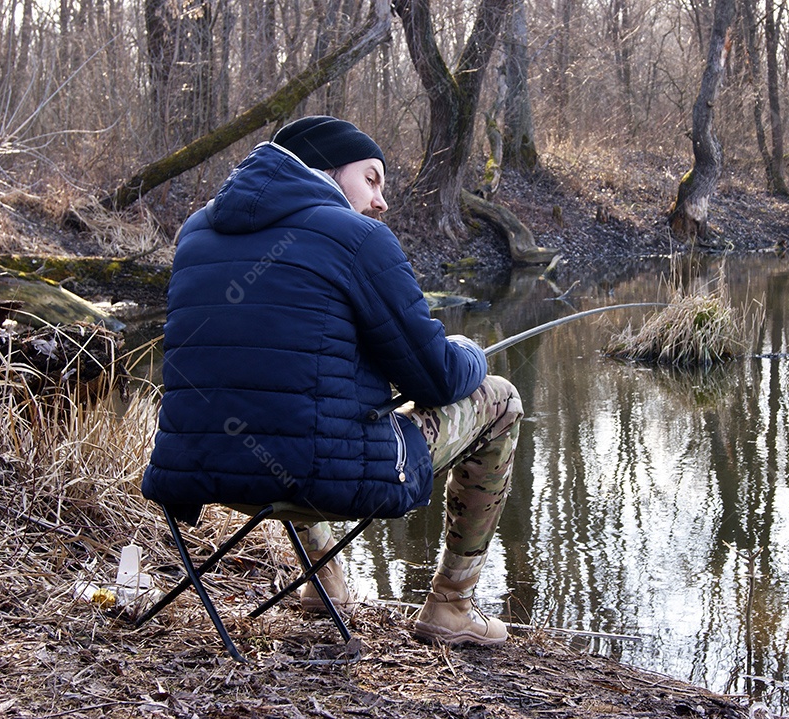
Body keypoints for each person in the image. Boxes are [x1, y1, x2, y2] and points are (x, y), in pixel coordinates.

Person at [142, 115, 522, 647]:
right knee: (502, 400)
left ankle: (323, 582)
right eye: (371, 179)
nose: (381, 201)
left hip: (198, 469)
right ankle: (452, 606)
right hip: (317, 479)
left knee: (291, 402)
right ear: (326, 169)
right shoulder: (357, 238)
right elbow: (437, 378)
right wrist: (469, 351)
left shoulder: (195, 233)